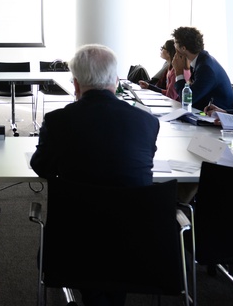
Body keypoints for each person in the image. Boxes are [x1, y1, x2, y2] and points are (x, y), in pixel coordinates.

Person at [30, 44, 159, 306]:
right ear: (115, 80)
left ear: (75, 84)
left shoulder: (57, 121)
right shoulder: (147, 122)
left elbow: (41, 166)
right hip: (135, 244)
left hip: (73, 245)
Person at [171, 26, 233, 110]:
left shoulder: (206, 68)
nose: (174, 45)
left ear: (183, 48)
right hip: (205, 110)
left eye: (175, 43)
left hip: (217, 117)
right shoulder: (201, 60)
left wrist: (179, 72)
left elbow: (186, 100)